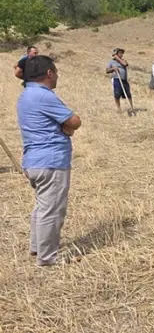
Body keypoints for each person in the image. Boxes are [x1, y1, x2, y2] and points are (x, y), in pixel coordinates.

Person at [17, 55, 82, 267]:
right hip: (51, 160)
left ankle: (38, 247)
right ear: (49, 73)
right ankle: (47, 258)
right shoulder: (45, 96)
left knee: (42, 207)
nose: (57, 76)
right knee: (52, 210)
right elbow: (74, 121)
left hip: (34, 160)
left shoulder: (26, 95)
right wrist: (66, 128)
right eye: (56, 72)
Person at [105, 48, 132, 113]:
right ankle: (118, 108)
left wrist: (118, 59)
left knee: (128, 94)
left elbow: (125, 64)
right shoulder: (111, 62)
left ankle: (131, 107)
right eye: (119, 53)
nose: (121, 54)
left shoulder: (123, 60)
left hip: (124, 80)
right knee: (117, 94)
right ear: (116, 54)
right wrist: (113, 68)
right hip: (116, 79)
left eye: (122, 53)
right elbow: (107, 71)